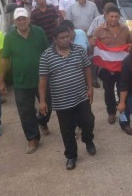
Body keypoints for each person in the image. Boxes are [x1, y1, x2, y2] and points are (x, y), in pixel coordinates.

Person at [39, 25, 96, 170]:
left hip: (81, 96)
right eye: (62, 38)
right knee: (67, 130)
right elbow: (43, 79)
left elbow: (87, 68)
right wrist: (42, 101)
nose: (66, 40)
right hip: (62, 102)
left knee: (88, 121)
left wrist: (90, 87)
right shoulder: (46, 56)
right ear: (55, 39)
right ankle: (71, 156)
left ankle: (88, 140)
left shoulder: (79, 50)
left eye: (67, 37)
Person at [0, 8, 50, 154]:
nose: (21, 22)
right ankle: (32, 138)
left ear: (29, 19)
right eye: (18, 19)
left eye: (24, 18)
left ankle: (42, 121)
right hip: (21, 81)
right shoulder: (9, 37)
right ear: (14, 21)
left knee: (48, 105)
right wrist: (1, 79)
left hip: (42, 79)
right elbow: (5, 58)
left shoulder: (39, 32)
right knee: (25, 111)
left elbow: (47, 52)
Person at [90, 5, 132, 134]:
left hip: (122, 67)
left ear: (119, 17)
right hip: (105, 68)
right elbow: (92, 45)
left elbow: (130, 43)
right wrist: (92, 43)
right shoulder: (99, 30)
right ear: (106, 16)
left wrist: (131, 46)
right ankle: (111, 112)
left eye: (116, 16)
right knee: (108, 91)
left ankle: (125, 121)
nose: (114, 19)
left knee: (123, 93)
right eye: (111, 16)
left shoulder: (125, 29)